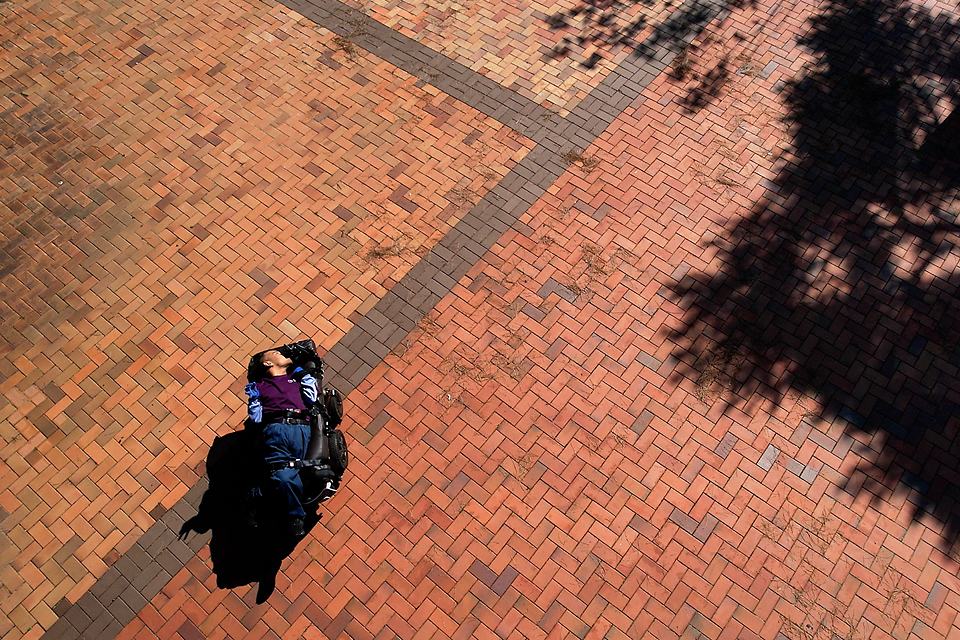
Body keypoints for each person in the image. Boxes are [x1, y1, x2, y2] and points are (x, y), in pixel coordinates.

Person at [244, 349, 318, 537]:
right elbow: (256, 417)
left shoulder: (296, 375)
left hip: (302, 427)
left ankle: (255, 496)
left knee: (294, 474)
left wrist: (306, 377)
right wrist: (253, 400)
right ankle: (296, 516)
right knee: (285, 475)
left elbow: (311, 398)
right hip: (276, 429)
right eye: (276, 352)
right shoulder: (260, 386)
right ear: (267, 363)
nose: (283, 353)